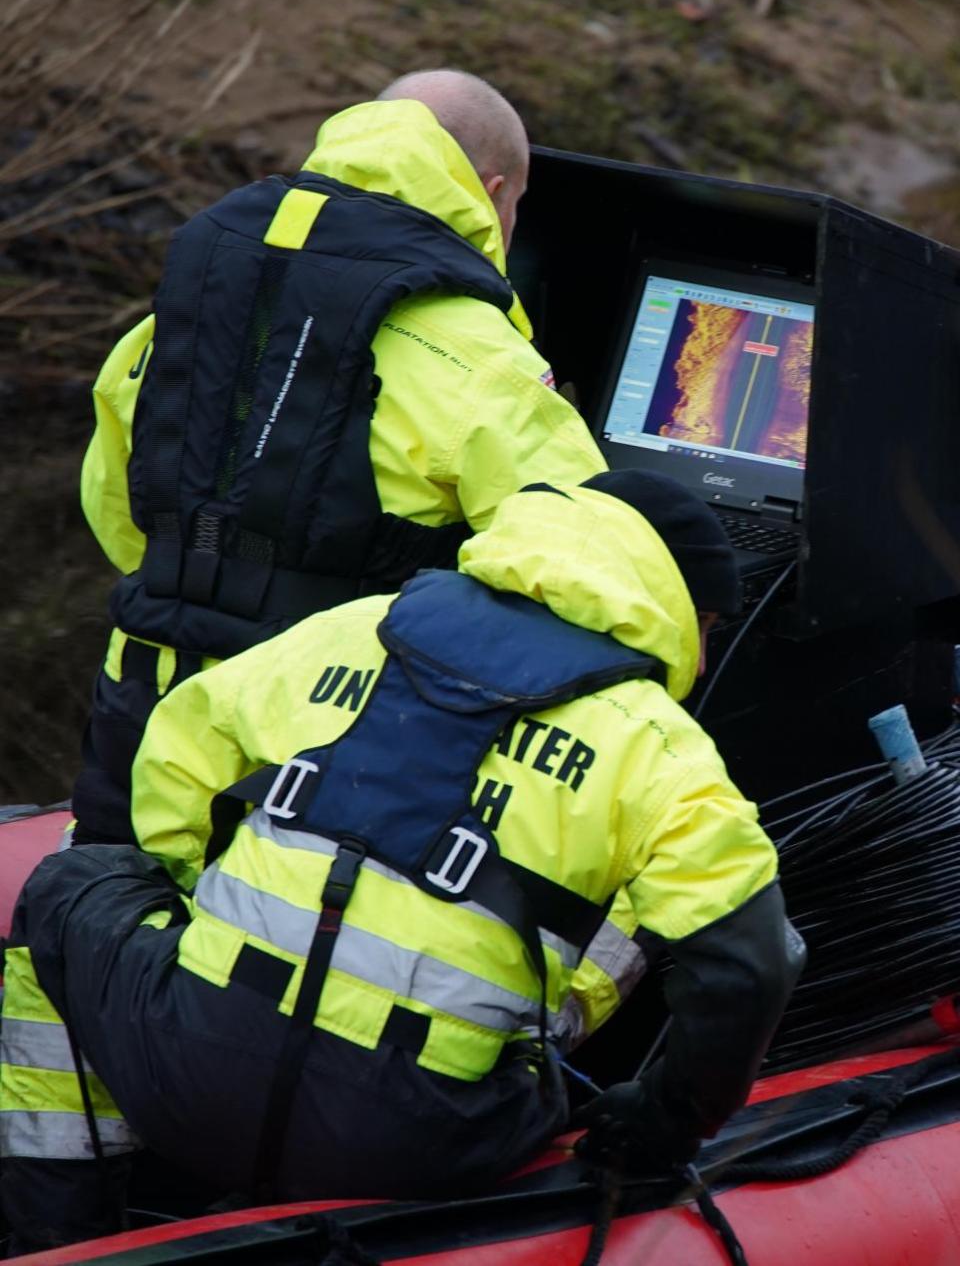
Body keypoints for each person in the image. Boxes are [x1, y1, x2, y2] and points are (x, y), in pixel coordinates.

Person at [0, 470, 804, 1251]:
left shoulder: (358, 627)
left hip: (188, 1082)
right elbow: (749, 967)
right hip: (428, 1144)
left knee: (72, 879)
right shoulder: (663, 748)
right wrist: (662, 1122)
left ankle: (61, 1234)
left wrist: (180, 930)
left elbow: (177, 743)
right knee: (613, 902)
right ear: (683, 608)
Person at [72, 68, 606, 846]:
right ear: (492, 190)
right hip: (323, 733)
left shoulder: (206, 286)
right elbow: (580, 571)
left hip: (143, 695)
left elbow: (114, 498)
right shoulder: (479, 353)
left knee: (94, 921)